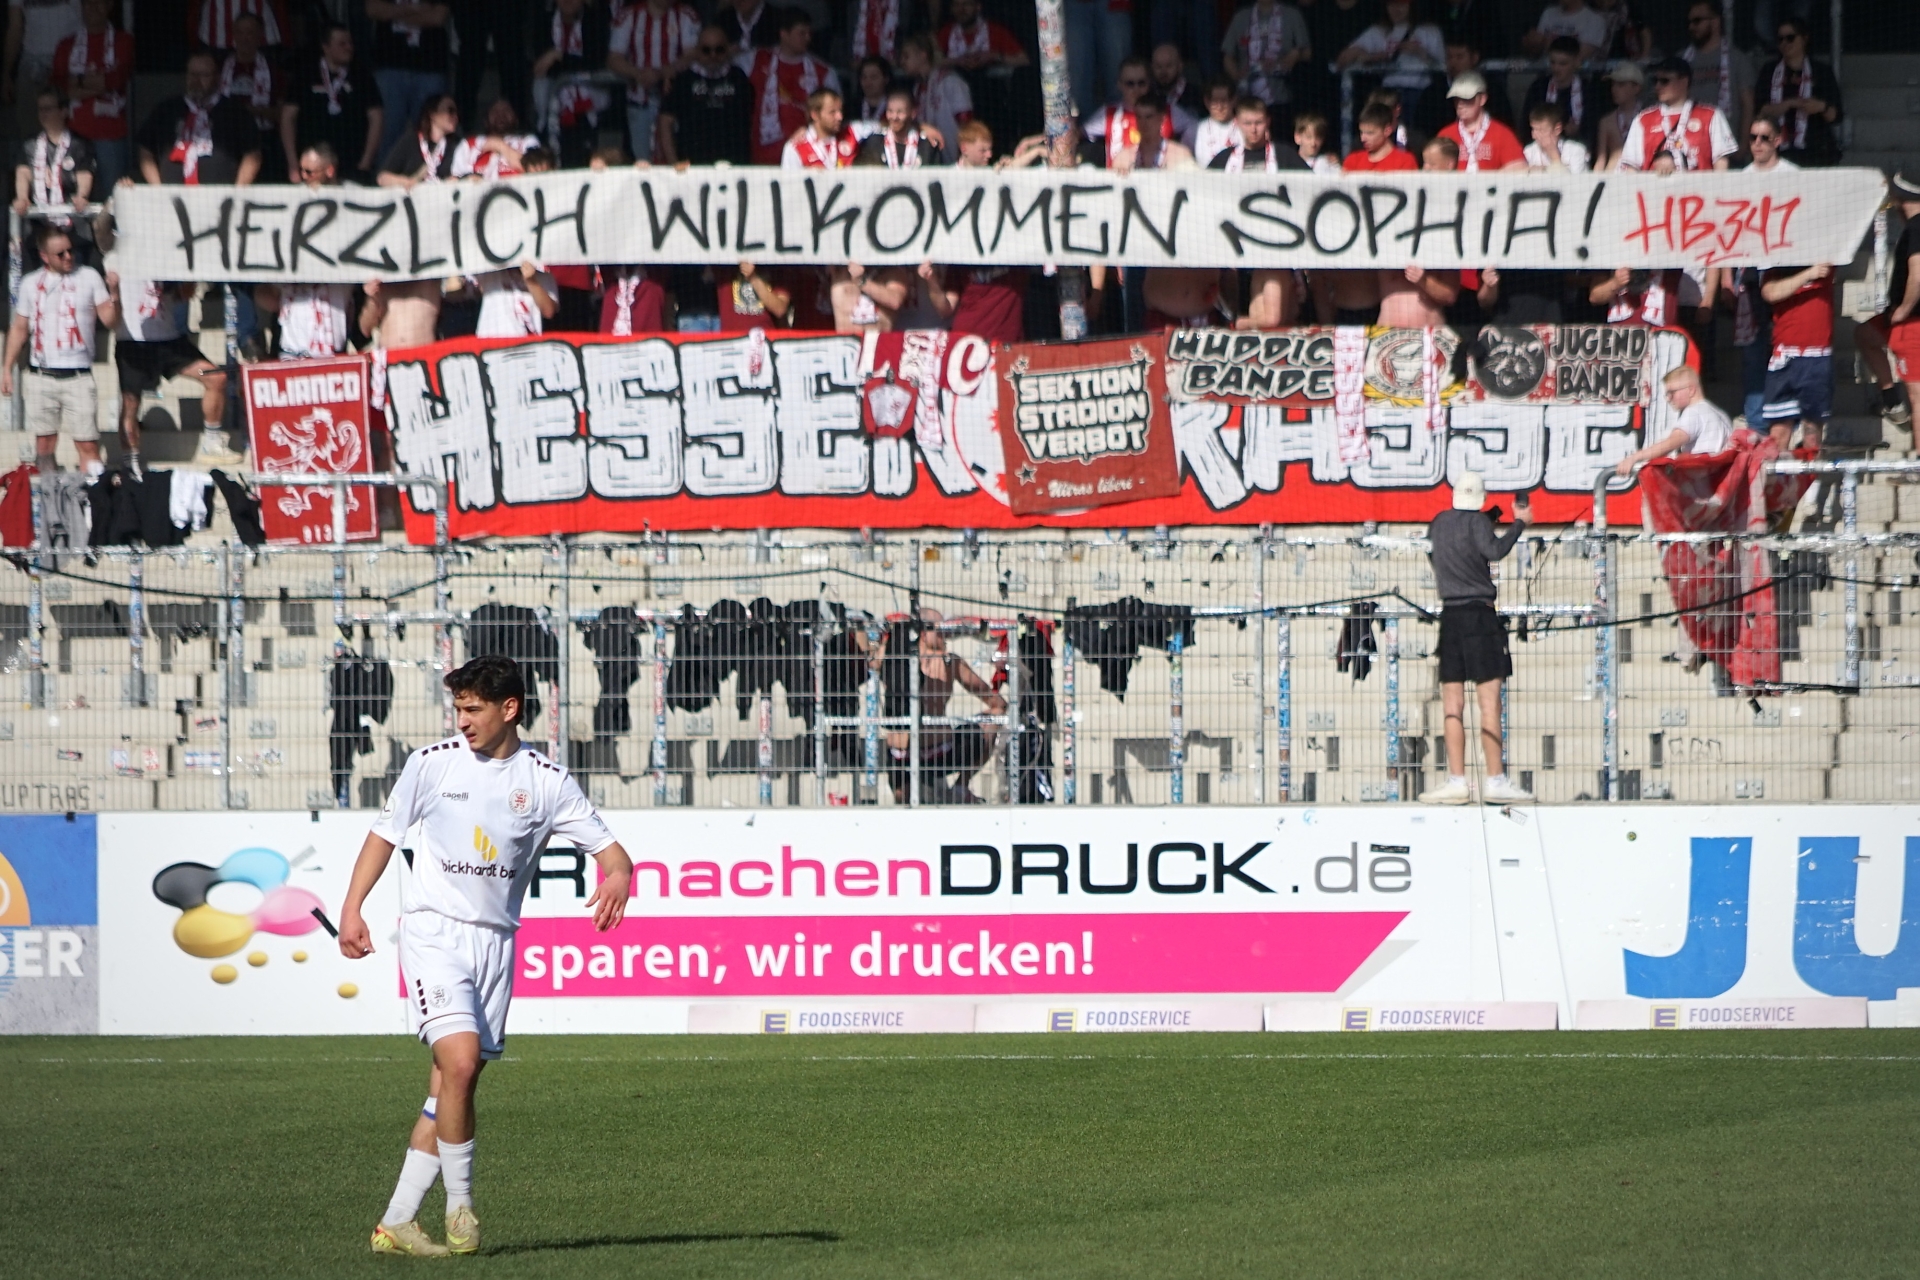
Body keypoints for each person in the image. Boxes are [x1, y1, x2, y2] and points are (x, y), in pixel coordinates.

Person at [339, 654, 634, 1258]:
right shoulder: (431, 764)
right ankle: (461, 1208)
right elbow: (385, 834)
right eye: (458, 708)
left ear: (510, 708)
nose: (463, 720)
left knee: (452, 1085)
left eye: (473, 709)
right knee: (462, 1061)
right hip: (434, 932)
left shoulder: (547, 782)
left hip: (495, 944)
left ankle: (396, 1223)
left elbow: (613, 854)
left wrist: (618, 877)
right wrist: (352, 907)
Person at [1418, 470, 1532, 806]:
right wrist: (1519, 524)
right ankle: (1495, 781)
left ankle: (1457, 780)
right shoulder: (1480, 522)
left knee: (1452, 705)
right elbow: (1493, 550)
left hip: (1450, 617)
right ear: (1481, 499)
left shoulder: (1439, 523)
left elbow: (1439, 551)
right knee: (1489, 703)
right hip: (1480, 616)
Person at [855, 611, 1007, 806]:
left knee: (994, 719)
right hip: (904, 754)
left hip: (940, 752)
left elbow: (996, 703)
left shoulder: (950, 662)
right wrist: (860, 627)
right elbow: (867, 658)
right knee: (904, 802)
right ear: (923, 633)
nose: (946, 636)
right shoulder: (894, 657)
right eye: (940, 630)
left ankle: (961, 786)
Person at [104, 236, 225, 477]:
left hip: (169, 339)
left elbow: (180, 295)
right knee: (130, 403)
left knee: (216, 377)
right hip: (133, 341)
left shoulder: (166, 254)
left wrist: (189, 277)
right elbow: (102, 231)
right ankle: (131, 462)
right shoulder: (116, 256)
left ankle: (212, 441)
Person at [3, 223, 114, 474]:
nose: (68, 257)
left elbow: (109, 320)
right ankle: (50, 491)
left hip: (78, 376)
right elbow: (19, 328)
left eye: (70, 251)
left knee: (87, 443)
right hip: (42, 374)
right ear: (44, 256)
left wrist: (115, 294)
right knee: (44, 444)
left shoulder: (88, 276)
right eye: (60, 253)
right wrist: (7, 368)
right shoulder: (31, 283)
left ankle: (93, 492)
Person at [256, 144, 363, 358]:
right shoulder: (293, 202)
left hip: (333, 345)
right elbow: (265, 295)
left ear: (329, 170)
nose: (303, 177)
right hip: (292, 351)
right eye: (301, 170)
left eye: (309, 172)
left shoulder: (353, 197)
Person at [136, 50, 261, 185]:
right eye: (192, 74)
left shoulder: (234, 112)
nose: (196, 80)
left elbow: (253, 154)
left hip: (221, 194)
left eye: (204, 75)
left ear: (217, 78)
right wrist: (157, 188)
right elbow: (145, 149)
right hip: (171, 194)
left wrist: (238, 191)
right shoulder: (166, 109)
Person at [1854, 173, 1920, 429]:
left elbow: (1918, 272)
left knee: (1917, 397)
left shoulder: (1917, 226)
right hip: (1899, 318)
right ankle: (1891, 399)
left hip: (1912, 322)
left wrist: (1905, 309)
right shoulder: (1913, 227)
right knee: (1865, 335)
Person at [280, 23, 384, 185]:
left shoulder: (362, 75)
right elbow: (288, 117)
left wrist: (365, 163)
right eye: (342, 44)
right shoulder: (305, 74)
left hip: (352, 164)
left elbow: (376, 118)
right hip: (311, 166)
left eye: (350, 43)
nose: (349, 48)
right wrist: (293, 164)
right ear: (326, 47)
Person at [739, 9, 837, 166]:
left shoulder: (824, 72)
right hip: (764, 156)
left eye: (809, 33)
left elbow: (835, 112)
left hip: (806, 157)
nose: (808, 38)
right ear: (784, 34)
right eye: (802, 33)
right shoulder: (756, 60)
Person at [49, 0, 128, 191]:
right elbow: (61, 88)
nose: (93, 7)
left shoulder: (123, 41)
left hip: (110, 134)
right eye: (88, 3)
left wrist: (78, 82)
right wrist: (98, 84)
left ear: (110, 5)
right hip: (73, 134)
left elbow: (115, 81)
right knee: (74, 196)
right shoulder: (66, 45)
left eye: (99, 2)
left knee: (113, 195)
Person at [607, 0, 698, 164]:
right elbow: (614, 58)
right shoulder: (628, 16)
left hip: (676, 104)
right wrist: (638, 73)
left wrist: (663, 72)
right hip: (639, 102)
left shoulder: (687, 16)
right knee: (643, 160)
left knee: (678, 156)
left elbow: (692, 55)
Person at [1758, 260, 1832, 452]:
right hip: (1784, 357)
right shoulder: (1776, 265)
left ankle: (1811, 471)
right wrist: (1809, 274)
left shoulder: (1825, 260)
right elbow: (1770, 293)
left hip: (1816, 356)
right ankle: (1776, 471)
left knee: (1812, 431)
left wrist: (1815, 270)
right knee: (1778, 432)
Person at [365, 0, 451, 162]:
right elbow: (373, 9)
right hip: (389, 64)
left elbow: (438, 17)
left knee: (431, 131)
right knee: (387, 132)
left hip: (429, 66)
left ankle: (431, 172)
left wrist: (395, 13)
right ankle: (384, 174)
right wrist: (416, 9)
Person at [656, 25, 753, 166]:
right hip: (693, 166)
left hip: (734, 164)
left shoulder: (739, 78)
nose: (713, 56)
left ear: (728, 50)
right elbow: (665, 122)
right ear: (697, 51)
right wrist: (674, 164)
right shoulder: (683, 80)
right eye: (706, 50)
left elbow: (753, 118)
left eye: (719, 50)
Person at [1335, 0, 1444, 124]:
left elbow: (1445, 66)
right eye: (1391, 4)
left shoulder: (1430, 31)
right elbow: (1342, 60)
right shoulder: (1378, 31)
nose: (1396, 9)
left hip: (1420, 93)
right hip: (1387, 93)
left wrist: (1420, 52)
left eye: (1401, 5)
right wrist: (1371, 57)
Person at [530, 0, 611, 167]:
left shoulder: (595, 19)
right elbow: (541, 65)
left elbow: (595, 60)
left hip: (587, 102)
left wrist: (558, 55)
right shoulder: (544, 19)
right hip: (552, 99)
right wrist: (565, 61)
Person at [1618, 57, 1735, 172]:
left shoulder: (1711, 115)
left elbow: (1721, 163)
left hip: (1699, 185)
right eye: (1655, 81)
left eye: (1664, 81)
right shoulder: (1643, 120)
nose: (1657, 86)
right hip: (1654, 185)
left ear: (1683, 82)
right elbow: (1631, 167)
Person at [1614, 364, 1733, 476]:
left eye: (1672, 392)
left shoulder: (1694, 413)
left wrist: (1633, 458)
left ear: (1691, 390)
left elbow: (1669, 444)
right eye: (1667, 394)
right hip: (1717, 483)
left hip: (1701, 485)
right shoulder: (1720, 414)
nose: (1668, 398)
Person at [1754, 17, 1841, 168]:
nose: (1785, 43)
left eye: (1790, 38)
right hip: (1778, 153)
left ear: (1804, 38)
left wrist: (1821, 107)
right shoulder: (1769, 71)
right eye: (1780, 39)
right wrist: (1789, 104)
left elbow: (1836, 116)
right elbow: (1760, 112)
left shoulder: (1822, 71)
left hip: (1816, 152)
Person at [3, 0, 80, 148]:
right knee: (31, 134)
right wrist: (7, 74)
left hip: (71, 61)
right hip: (32, 65)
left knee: (73, 130)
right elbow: (15, 27)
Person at [1680, 0, 1751, 153]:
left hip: (1726, 148)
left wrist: (1743, 146)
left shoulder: (1737, 58)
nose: (1691, 27)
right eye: (1689, 22)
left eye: (1697, 21)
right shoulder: (1682, 60)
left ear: (1715, 21)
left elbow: (1747, 105)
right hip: (1688, 147)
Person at [218, 13, 281, 181]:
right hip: (226, 140)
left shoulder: (274, 70)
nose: (245, 38)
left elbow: (282, 114)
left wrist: (250, 111)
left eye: (250, 32)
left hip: (264, 140)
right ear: (233, 36)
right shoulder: (220, 67)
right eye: (240, 32)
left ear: (260, 36)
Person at [1221, 0, 1310, 114]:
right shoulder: (1241, 17)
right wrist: (1237, 75)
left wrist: (1295, 54)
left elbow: (1307, 53)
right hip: (1246, 97)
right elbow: (1228, 55)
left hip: (1281, 96)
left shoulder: (1292, 14)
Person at [896, 32, 971, 160]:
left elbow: (967, 122)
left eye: (906, 56)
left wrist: (965, 155)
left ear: (923, 55)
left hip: (956, 158)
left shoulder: (951, 81)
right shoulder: (917, 88)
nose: (902, 62)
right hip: (931, 158)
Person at [1436, 71, 1525, 171]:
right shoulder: (1446, 135)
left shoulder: (1502, 134)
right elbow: (1433, 169)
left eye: (1467, 99)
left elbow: (1518, 167)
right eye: (1456, 99)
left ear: (1482, 99)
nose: (1460, 104)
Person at [1521, 36, 1596, 149]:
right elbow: (1526, 125)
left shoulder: (1588, 90)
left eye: (1563, 64)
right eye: (1552, 62)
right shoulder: (1539, 88)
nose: (1556, 68)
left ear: (1576, 62)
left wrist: (1578, 131)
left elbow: (1594, 127)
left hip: (1580, 149)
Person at [378, 92, 458, 186]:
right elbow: (382, 178)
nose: (455, 116)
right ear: (433, 114)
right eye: (450, 111)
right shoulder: (411, 140)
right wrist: (406, 182)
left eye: (456, 112)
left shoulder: (457, 145)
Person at [450, 97, 537, 179]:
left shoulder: (528, 141)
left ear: (515, 117)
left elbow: (535, 170)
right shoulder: (468, 145)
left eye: (506, 110)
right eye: (495, 111)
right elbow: (456, 180)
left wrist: (499, 145)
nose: (501, 115)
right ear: (486, 119)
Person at [936, 0, 1027, 73]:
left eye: (967, 4)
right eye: (956, 5)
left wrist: (993, 56)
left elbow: (1023, 60)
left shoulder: (995, 30)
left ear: (978, 7)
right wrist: (957, 61)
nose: (961, 10)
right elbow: (933, 62)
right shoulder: (946, 32)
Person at [1594, 61, 1642, 172]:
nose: (1614, 89)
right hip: (1612, 174)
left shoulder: (1649, 118)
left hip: (1640, 175)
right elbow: (1601, 159)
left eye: (1621, 85)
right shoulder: (1606, 121)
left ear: (1636, 88)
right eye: (1613, 84)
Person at [1521, 0, 1605, 63]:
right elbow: (1536, 54)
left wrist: (1545, 42)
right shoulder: (1548, 13)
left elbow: (1580, 54)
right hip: (1546, 73)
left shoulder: (1594, 20)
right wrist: (1532, 43)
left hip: (1578, 76)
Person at [1343, 99, 1414, 170]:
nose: (1362, 139)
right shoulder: (1353, 161)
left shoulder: (1405, 161)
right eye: (1361, 132)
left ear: (1387, 131)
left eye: (1370, 133)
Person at [1150, 41, 1206, 128]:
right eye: (1158, 67)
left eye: (1168, 66)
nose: (1163, 72)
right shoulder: (1148, 95)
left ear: (1180, 66)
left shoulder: (1197, 96)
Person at [1523, 101, 1588, 171]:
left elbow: (1573, 178)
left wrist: (1554, 155)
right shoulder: (1528, 152)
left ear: (1557, 129)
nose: (1534, 136)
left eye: (1541, 130)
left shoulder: (1576, 151)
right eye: (1533, 129)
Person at [1192, 78, 1239, 166]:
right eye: (1215, 101)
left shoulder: (1245, 127)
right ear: (1207, 102)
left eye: (1224, 101)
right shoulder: (1196, 129)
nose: (1220, 107)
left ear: (1233, 100)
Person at [1292, 108, 1337, 173]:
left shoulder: (1328, 164)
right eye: (1308, 137)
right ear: (1297, 138)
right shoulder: (1287, 162)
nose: (1313, 143)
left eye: (1318, 138)